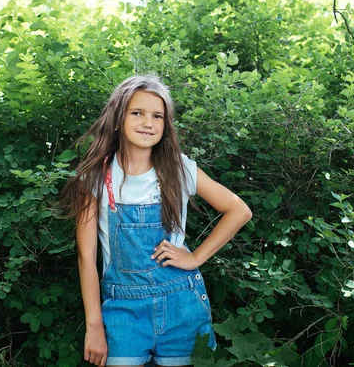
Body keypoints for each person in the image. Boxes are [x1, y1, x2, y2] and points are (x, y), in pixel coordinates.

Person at [61, 75, 252, 367]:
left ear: (165, 124)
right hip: (124, 309)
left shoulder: (179, 170)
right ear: (117, 119)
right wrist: (94, 325)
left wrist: (195, 257)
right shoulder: (96, 178)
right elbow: (87, 257)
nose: (148, 123)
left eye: (157, 116)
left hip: (181, 306)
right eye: (137, 113)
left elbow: (239, 210)